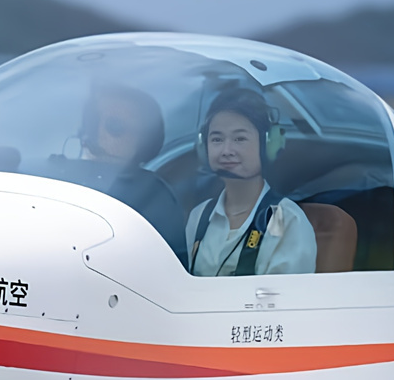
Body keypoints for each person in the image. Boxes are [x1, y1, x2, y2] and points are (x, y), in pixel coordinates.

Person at [44, 82, 187, 261]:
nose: (98, 132)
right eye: (94, 122)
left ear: (146, 140)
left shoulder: (154, 195)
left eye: (114, 126)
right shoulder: (55, 180)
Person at [186, 88, 317, 276]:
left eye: (240, 138)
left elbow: (287, 299)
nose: (226, 150)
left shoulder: (286, 219)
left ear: (268, 144)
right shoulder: (199, 217)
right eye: (217, 139)